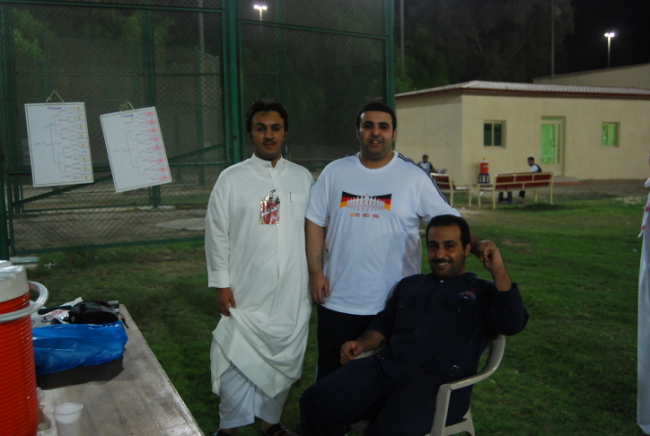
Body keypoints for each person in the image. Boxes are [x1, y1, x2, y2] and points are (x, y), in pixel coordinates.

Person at [300, 214, 529, 436]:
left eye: (449, 246)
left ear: (466, 249)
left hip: (435, 384)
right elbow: (384, 325)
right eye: (433, 246)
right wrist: (361, 343)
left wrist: (498, 269)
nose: (440, 254)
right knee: (316, 400)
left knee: (390, 430)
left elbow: (512, 323)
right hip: (387, 369)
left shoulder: (482, 292)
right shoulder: (411, 285)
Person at [305, 101, 485, 381]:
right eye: (368, 126)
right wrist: (316, 271)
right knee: (330, 381)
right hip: (338, 299)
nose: (375, 132)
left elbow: (451, 222)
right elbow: (315, 220)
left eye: (383, 127)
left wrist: (480, 247)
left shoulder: (414, 177)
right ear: (358, 131)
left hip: (393, 304)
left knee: (386, 383)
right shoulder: (335, 172)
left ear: (394, 133)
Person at [205, 98, 313, 436]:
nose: (269, 135)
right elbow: (216, 233)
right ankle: (229, 429)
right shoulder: (231, 179)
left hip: (292, 291)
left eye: (275, 128)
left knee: (285, 356)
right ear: (250, 133)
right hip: (245, 289)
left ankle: (271, 423)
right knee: (236, 354)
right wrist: (221, 283)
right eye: (261, 128)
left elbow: (315, 231)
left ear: (285, 133)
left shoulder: (302, 178)